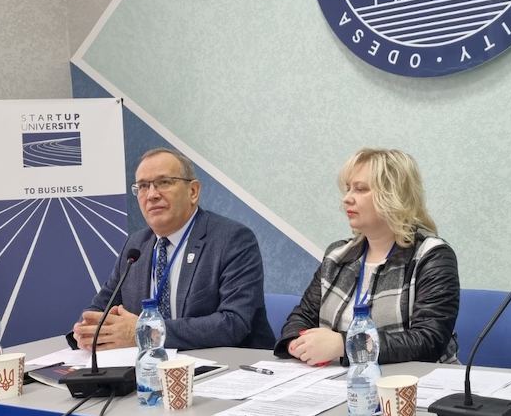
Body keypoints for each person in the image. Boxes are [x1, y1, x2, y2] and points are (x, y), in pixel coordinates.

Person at [72, 148, 276, 350]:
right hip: (147, 365)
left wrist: (145, 333)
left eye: (164, 182)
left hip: (223, 364)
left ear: (193, 191)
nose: (152, 195)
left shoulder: (232, 239)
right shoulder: (135, 246)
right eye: (143, 186)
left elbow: (233, 324)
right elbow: (100, 308)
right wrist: (85, 331)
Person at [274, 148, 459, 365]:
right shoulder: (337, 255)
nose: (347, 199)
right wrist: (297, 342)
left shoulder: (432, 256)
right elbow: (301, 317)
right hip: (340, 378)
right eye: (347, 189)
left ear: (394, 195)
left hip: (411, 381)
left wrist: (346, 345)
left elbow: (429, 341)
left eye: (360, 189)